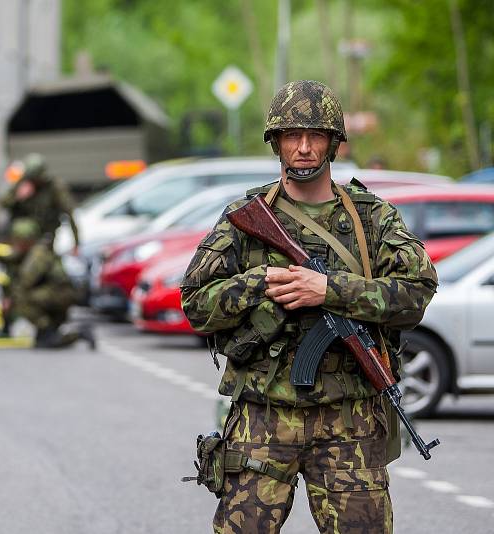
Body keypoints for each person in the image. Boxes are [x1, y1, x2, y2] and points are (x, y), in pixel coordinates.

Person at [180, 80, 438, 534]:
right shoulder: (248, 216)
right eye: (291, 136)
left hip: (350, 420)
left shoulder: (372, 218)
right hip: (262, 416)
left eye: (315, 136)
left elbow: (417, 292)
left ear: (333, 143)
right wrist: (260, 283)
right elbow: (196, 303)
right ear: (275, 142)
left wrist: (329, 291)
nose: (303, 148)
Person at [0, 218, 95, 349]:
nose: (14, 243)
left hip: (59, 297)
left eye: (18, 240)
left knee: (21, 299)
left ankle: (48, 329)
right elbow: (10, 259)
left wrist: (9, 300)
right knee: (46, 342)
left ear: (26, 240)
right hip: (55, 298)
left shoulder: (37, 254)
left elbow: (24, 282)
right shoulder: (31, 250)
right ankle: (74, 333)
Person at [0, 153, 80, 250]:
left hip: (45, 234)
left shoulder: (54, 188)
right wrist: (18, 196)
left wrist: (76, 242)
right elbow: (3, 203)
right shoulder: (23, 184)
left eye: (34, 179)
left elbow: (69, 212)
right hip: (22, 232)